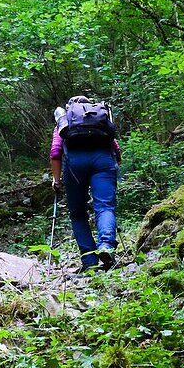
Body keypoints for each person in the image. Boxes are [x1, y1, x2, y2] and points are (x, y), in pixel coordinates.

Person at [51, 95, 121, 272]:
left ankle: (89, 260)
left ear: (71, 107)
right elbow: (116, 148)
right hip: (104, 161)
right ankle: (106, 246)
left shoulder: (65, 119)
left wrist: (57, 180)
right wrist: (112, 169)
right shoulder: (98, 118)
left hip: (75, 164)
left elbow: (55, 152)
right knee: (105, 206)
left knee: (78, 213)